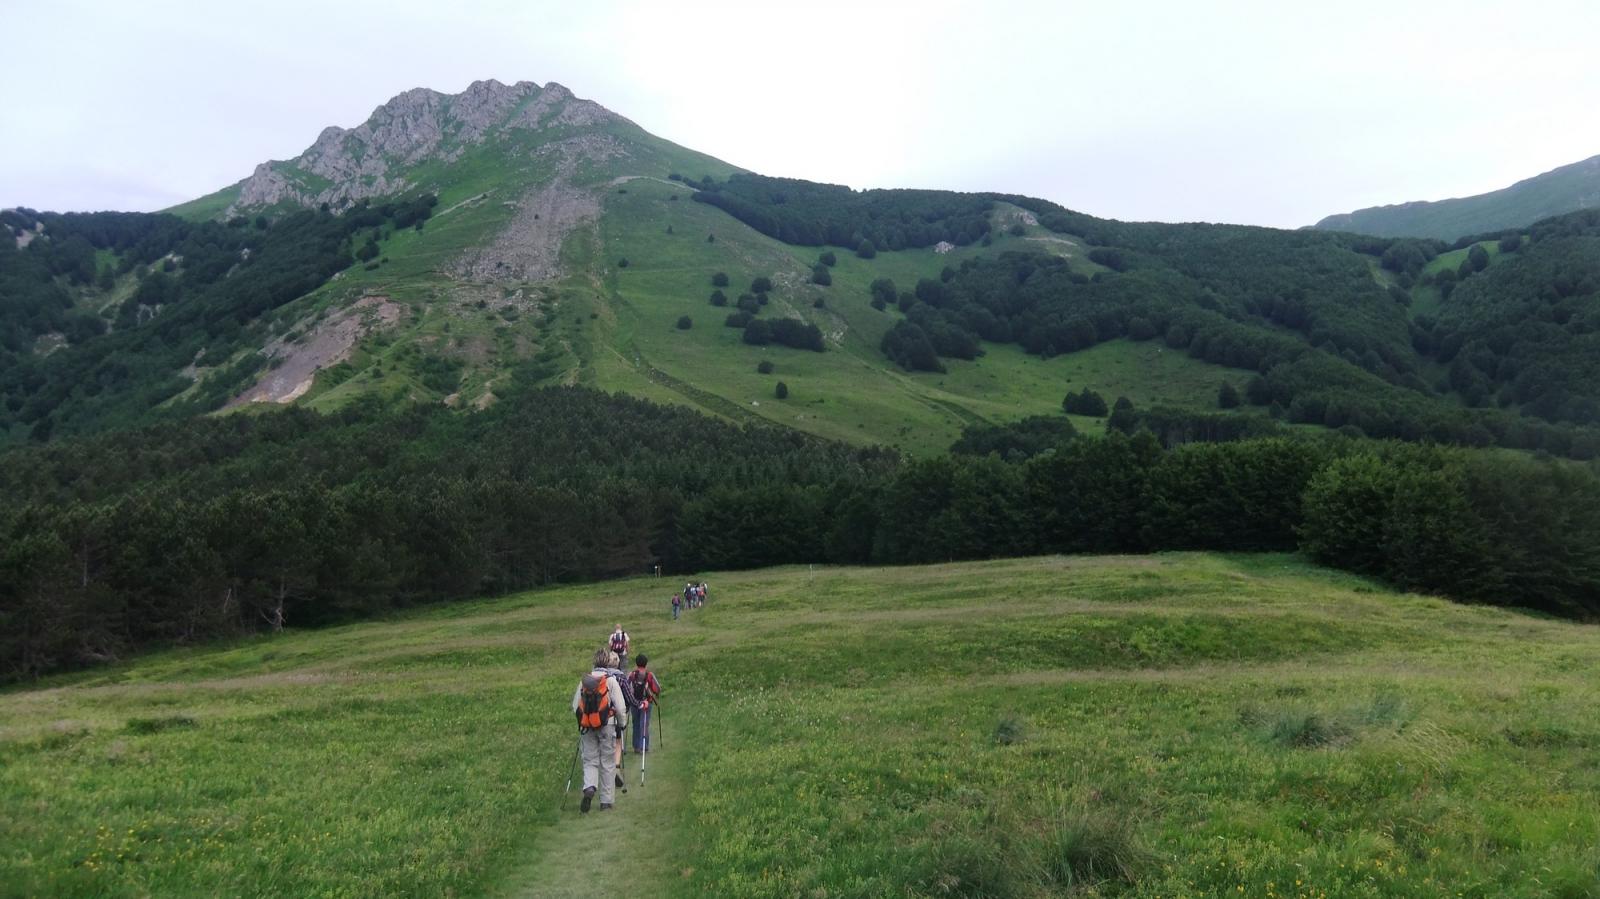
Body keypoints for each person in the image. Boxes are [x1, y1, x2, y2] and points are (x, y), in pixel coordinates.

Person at [571, 649, 625, 812]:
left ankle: (589, 788)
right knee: (607, 763)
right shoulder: (610, 681)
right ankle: (606, 802)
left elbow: (575, 706)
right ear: (607, 662)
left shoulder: (585, 682)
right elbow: (621, 707)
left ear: (594, 662)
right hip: (607, 725)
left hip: (587, 727)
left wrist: (583, 721)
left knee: (590, 761)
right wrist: (621, 724)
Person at [629, 655, 661, 754]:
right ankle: (644, 746)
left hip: (634, 703)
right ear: (646, 663)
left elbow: (627, 686)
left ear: (636, 663)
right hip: (647, 702)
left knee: (635, 724)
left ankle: (636, 747)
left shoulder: (632, 674)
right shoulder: (649, 675)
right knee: (644, 724)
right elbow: (657, 688)